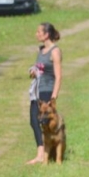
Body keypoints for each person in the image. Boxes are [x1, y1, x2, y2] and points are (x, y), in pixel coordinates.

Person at [26, 22, 62, 165]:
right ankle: (40, 153)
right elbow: (39, 68)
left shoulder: (55, 51)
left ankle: (49, 154)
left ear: (46, 34)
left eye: (39, 32)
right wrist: (33, 72)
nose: (36, 34)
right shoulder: (40, 50)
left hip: (47, 91)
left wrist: (54, 96)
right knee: (34, 120)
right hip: (36, 91)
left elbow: (58, 76)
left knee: (46, 123)